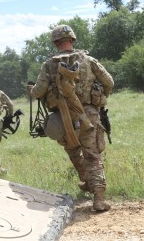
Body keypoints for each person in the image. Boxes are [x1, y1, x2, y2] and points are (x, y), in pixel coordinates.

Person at [28, 24, 114, 212]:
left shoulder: (49, 65)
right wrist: (102, 99)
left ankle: (86, 180)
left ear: (55, 42)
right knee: (93, 156)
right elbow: (109, 82)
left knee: (74, 151)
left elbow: (38, 91)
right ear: (73, 40)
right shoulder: (90, 61)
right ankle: (98, 199)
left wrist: (32, 90)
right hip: (89, 116)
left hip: (64, 117)